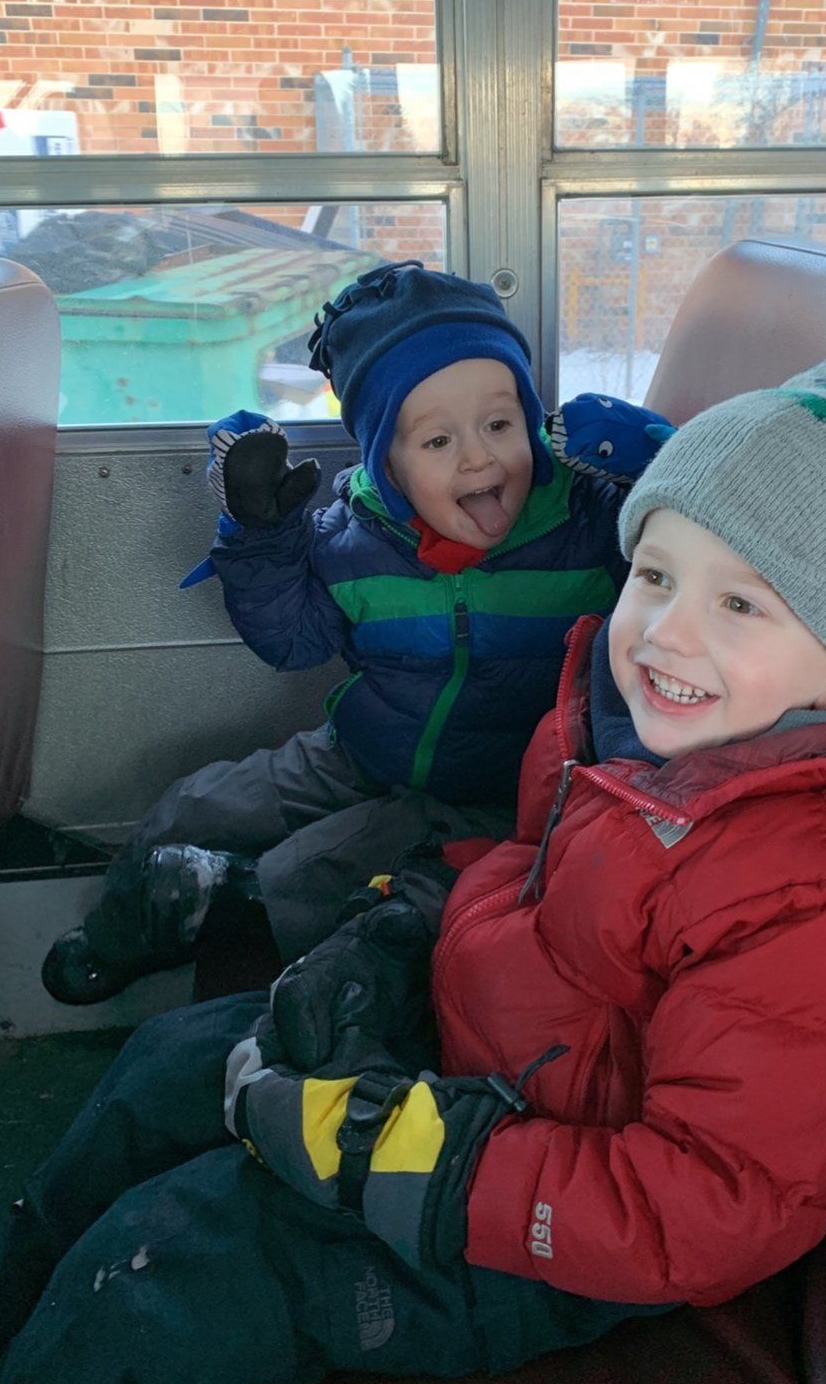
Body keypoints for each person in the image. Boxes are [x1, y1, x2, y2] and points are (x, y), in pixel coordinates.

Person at [0, 330, 826, 1384]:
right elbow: (526, 871)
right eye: (655, 577)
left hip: (558, 1223)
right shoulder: (651, 726)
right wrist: (401, 933)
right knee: (165, 1069)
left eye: (741, 606)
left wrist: (405, 1157)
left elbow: (712, 1204)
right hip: (491, 1061)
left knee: (164, 1269)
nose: (663, 631)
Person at [41, 260, 673, 1006]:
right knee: (191, 807)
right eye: (437, 443)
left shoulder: (589, 522)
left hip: (508, 791)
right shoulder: (354, 537)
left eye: (501, 424)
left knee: (310, 870)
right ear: (386, 461)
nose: (478, 456)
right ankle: (122, 936)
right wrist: (262, 533)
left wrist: (663, 462)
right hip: (363, 752)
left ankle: (227, 915)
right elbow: (294, 644)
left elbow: (692, 558)